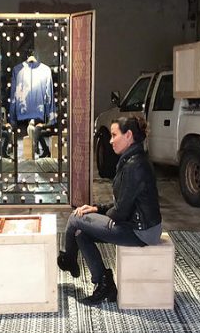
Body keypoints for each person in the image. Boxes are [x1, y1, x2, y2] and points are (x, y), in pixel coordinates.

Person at [57, 116, 162, 305]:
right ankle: (104, 285)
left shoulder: (136, 166)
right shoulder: (131, 160)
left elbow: (120, 212)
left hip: (142, 231)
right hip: (135, 223)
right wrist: (97, 209)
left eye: (114, 135)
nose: (111, 140)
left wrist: (100, 216)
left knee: (75, 218)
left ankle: (70, 259)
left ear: (128, 135)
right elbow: (123, 203)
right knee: (81, 233)